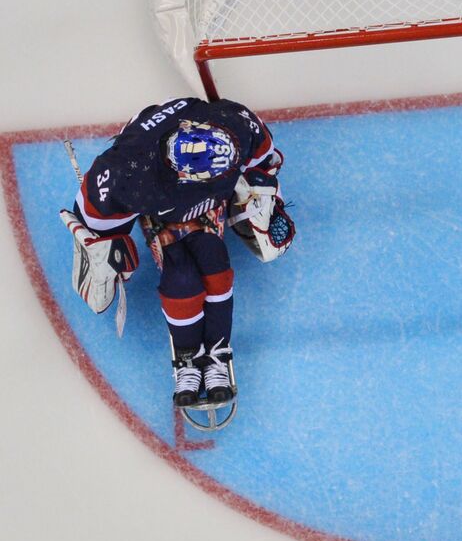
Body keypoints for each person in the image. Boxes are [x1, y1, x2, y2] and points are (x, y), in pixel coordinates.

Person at [59, 96, 295, 415]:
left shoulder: (237, 125)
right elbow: (92, 217)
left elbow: (265, 160)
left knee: (215, 263)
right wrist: (104, 251)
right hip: (158, 201)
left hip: (193, 194)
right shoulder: (128, 172)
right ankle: (188, 359)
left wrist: (260, 191)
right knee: (181, 277)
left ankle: (216, 355)